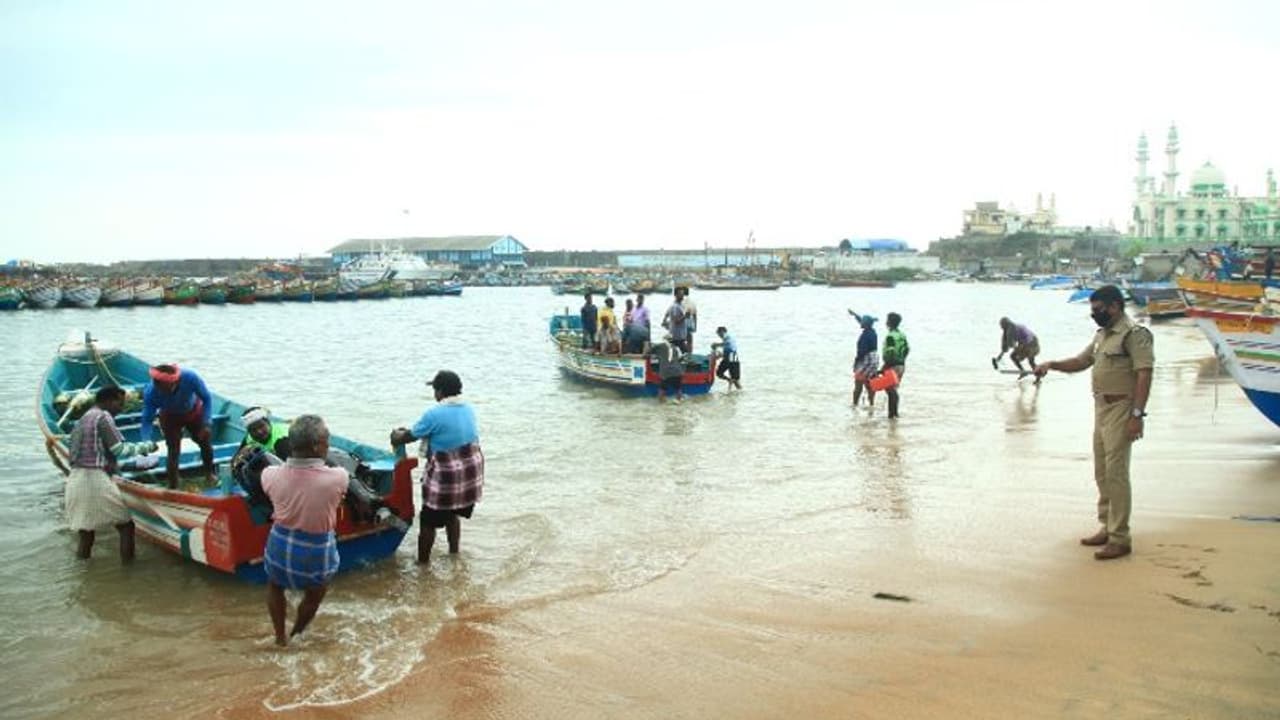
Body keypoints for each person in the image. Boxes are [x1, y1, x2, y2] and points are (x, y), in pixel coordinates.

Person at [1034, 285, 1154, 561]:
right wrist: (1050, 364)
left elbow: (1144, 374)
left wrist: (1137, 416)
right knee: (1102, 471)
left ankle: (1120, 538)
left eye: (1098, 309)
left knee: (1116, 473)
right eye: (1092, 309)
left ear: (1115, 306)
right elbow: (1080, 361)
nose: (1094, 314)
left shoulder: (1134, 335)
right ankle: (1107, 526)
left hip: (1122, 408)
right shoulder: (1102, 335)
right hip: (1102, 409)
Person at [261, 414, 349, 646]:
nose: (329, 445)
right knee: (315, 593)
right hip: (316, 551)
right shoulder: (338, 477)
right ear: (317, 446)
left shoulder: (269, 475)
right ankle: (297, 633)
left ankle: (279, 638)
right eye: (327, 440)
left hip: (280, 546)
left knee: (275, 586)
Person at [390, 370, 484, 566]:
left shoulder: (434, 413)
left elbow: (409, 436)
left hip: (448, 477)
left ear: (440, 391)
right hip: (470, 476)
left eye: (434, 389)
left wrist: (396, 436)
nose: (434, 394)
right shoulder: (468, 409)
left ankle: (422, 564)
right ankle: (454, 554)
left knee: (427, 521)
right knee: (452, 513)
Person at [65, 386, 158, 560]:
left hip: (76, 478)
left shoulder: (83, 418)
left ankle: (83, 569)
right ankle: (128, 569)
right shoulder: (103, 416)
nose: (121, 409)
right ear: (109, 400)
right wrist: (147, 447)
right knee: (126, 526)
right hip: (94, 478)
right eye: (120, 404)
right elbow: (119, 450)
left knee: (86, 533)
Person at [140, 363, 216, 489]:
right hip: (170, 417)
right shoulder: (150, 392)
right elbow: (147, 420)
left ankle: (209, 474)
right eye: (157, 385)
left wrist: (206, 423)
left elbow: (207, 398)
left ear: (175, 382)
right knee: (173, 450)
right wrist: (145, 441)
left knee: (205, 442)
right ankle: (173, 484)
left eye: (164, 387)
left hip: (194, 412)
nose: (160, 389)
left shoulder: (190, 377)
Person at [848, 310, 879, 407]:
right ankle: (871, 404)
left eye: (862, 322)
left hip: (867, 359)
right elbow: (862, 320)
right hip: (874, 358)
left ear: (865, 324)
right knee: (870, 383)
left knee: (858, 382)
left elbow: (862, 352)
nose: (860, 323)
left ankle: (855, 404)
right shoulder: (872, 332)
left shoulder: (865, 336)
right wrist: (855, 315)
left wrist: (856, 363)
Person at [881, 312, 909, 419]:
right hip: (901, 364)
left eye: (887, 320)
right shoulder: (902, 335)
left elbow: (891, 351)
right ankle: (895, 413)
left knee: (890, 390)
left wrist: (885, 366)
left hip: (892, 365)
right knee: (893, 389)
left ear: (889, 322)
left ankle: (892, 414)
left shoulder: (890, 336)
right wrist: (902, 360)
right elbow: (907, 349)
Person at [649, 337, 685, 402]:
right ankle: (678, 401)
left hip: (666, 372)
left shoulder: (660, 345)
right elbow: (681, 359)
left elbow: (649, 351)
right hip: (677, 371)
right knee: (678, 389)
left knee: (662, 390)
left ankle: (661, 404)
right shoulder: (676, 348)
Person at [711, 325, 741, 390]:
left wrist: (716, 344)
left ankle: (733, 390)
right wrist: (719, 355)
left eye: (719, 333)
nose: (719, 335)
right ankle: (729, 381)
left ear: (722, 331)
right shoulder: (725, 339)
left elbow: (728, 343)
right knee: (719, 373)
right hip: (727, 357)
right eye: (718, 334)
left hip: (733, 356)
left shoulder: (727, 336)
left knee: (734, 378)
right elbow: (728, 348)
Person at [662, 287, 689, 352]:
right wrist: (685, 316)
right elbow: (676, 321)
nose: (682, 296)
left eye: (683, 294)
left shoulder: (678, 305)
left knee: (677, 351)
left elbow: (667, 313)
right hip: (677, 336)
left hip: (679, 335)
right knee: (685, 352)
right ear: (676, 295)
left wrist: (664, 320)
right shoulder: (675, 307)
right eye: (680, 294)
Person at [681, 286, 698, 352]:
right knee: (690, 341)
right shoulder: (692, 302)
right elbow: (695, 315)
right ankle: (689, 354)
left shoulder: (680, 301)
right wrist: (695, 326)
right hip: (690, 323)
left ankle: (683, 353)